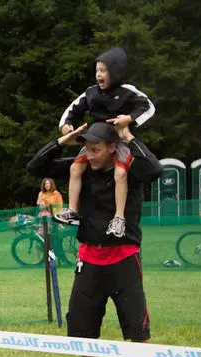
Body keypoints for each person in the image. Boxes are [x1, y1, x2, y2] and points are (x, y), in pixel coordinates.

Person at [27, 121, 162, 357]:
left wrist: (127, 135)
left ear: (112, 148)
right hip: (89, 256)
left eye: (96, 150)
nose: (90, 155)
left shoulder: (129, 169)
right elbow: (36, 167)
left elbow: (155, 169)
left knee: (137, 325)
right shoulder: (83, 165)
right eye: (87, 149)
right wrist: (67, 139)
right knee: (81, 324)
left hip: (123, 256)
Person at [56, 47, 156, 239]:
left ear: (115, 71)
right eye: (97, 71)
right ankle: (72, 211)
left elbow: (148, 107)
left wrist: (129, 119)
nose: (98, 75)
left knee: (120, 173)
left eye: (103, 70)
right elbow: (72, 109)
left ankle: (119, 218)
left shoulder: (128, 91)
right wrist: (66, 125)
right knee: (75, 169)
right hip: (96, 140)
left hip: (118, 139)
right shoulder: (91, 92)